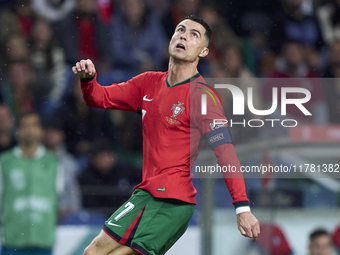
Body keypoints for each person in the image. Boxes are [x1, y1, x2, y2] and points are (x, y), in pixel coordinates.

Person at [73, 14, 260, 255]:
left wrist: (242, 208)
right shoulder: (147, 82)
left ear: (203, 52)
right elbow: (99, 97)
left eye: (194, 35)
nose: (183, 35)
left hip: (173, 201)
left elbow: (225, 154)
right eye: (180, 30)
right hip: (144, 193)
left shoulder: (203, 97)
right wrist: (88, 79)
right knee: (92, 253)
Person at [0, 111, 63, 255]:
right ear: (16, 131)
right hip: (12, 241)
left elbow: (59, 197)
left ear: (41, 131)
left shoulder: (53, 162)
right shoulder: (5, 162)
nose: (29, 130)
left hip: (43, 241)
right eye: (24, 126)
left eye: (34, 125)